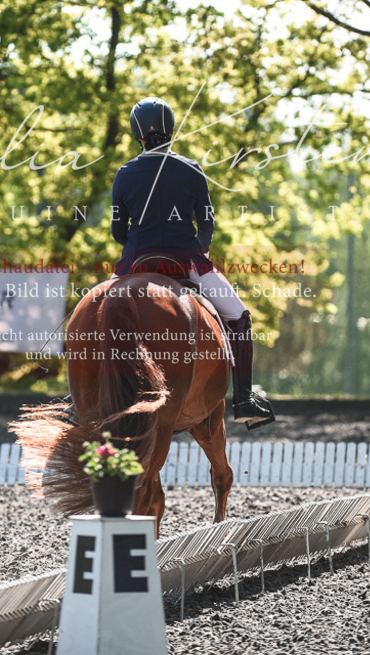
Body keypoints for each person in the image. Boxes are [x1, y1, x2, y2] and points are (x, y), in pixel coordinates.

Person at [110, 95, 275, 429]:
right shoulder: (191, 169)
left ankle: (76, 398)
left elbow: (118, 232)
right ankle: (244, 399)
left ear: (136, 135)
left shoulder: (124, 173)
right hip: (186, 262)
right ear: (171, 129)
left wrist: (139, 249)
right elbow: (207, 223)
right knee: (239, 316)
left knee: (94, 314)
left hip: (136, 264)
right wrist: (199, 252)